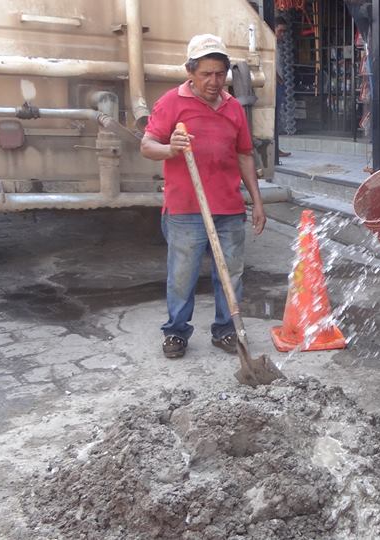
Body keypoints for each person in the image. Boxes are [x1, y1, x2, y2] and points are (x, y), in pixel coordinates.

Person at [140, 34, 267, 359]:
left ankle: (226, 330)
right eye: (206, 74)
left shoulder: (234, 107)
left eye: (219, 74)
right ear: (190, 72)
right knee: (182, 275)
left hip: (228, 207)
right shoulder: (172, 102)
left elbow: (245, 155)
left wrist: (257, 200)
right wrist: (171, 149)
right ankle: (176, 333)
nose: (214, 81)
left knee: (231, 273)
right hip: (185, 209)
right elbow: (147, 145)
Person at [274, 16, 291, 162]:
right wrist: (279, 81)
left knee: (276, 116)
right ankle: (274, 150)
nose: (282, 35)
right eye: (280, 31)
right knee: (274, 117)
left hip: (278, 84)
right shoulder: (269, 46)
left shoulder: (277, 46)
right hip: (273, 85)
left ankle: (276, 148)